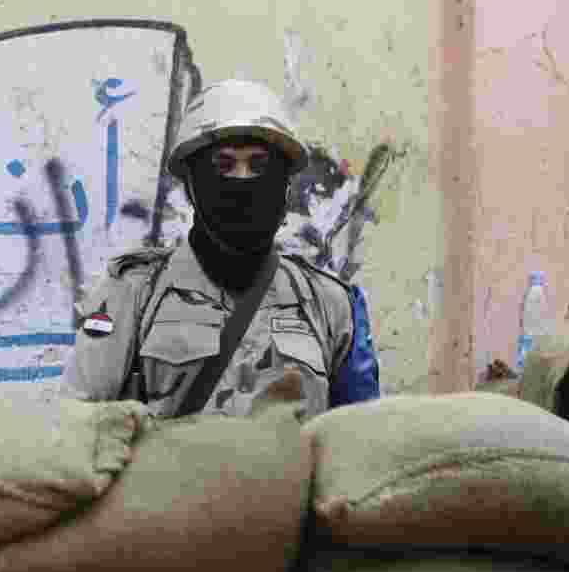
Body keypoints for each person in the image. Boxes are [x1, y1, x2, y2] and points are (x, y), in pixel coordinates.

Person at [62, 78, 380, 420]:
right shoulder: (132, 293)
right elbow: (79, 433)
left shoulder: (331, 305)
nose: (242, 181)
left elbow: (359, 447)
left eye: (259, 166)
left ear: (285, 185)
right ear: (192, 185)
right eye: (223, 165)